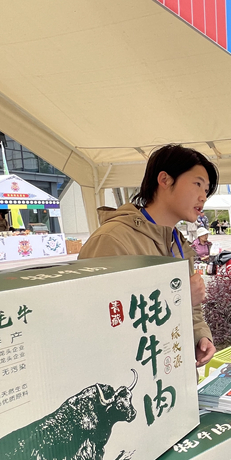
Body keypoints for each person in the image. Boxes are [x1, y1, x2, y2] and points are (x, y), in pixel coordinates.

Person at [79, 144, 218, 367]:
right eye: (197, 184)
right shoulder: (113, 240)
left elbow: (191, 308)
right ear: (164, 180)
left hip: (169, 371)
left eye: (206, 189)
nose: (203, 197)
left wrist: (200, 335)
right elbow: (96, 321)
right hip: (132, 377)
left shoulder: (177, 242)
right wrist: (178, 297)